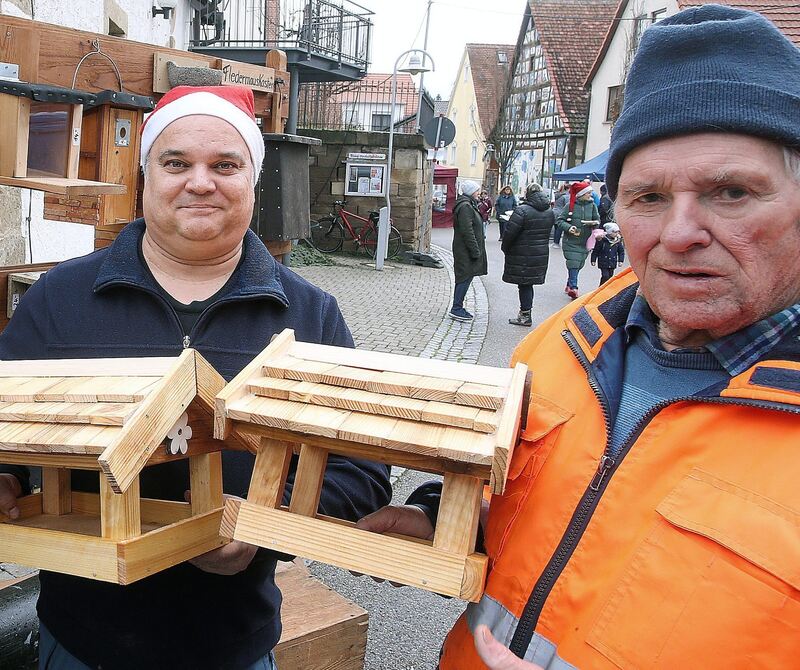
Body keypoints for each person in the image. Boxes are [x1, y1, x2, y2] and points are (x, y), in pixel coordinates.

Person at [357, 5, 800, 668]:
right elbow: (516, 498)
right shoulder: (561, 342)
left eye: (730, 191)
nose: (679, 233)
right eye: (648, 197)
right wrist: (439, 520)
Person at [0, 85, 392, 670]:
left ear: (253, 182)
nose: (200, 182)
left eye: (225, 165)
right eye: (176, 163)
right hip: (83, 641)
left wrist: (265, 521)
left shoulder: (309, 316)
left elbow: (362, 468)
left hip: (231, 644)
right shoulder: (60, 300)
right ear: (146, 177)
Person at [501, 183, 553, 326]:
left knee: (524, 285)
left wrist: (505, 248)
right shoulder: (549, 211)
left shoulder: (522, 210)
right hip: (540, 252)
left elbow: (510, 233)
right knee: (528, 284)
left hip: (523, 252)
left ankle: (525, 315)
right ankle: (526, 313)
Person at [449, 180, 488, 322]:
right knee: (464, 277)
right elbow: (467, 230)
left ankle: (458, 306)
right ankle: (456, 308)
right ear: (471, 192)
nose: (479, 193)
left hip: (466, 249)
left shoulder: (468, 204)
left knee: (466, 276)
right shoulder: (465, 206)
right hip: (464, 249)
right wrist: (475, 251)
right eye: (477, 191)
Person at [557, 182, 599, 299]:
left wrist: (594, 224)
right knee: (574, 262)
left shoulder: (593, 206)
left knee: (579, 264)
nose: (591, 195)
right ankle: (574, 288)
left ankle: (569, 283)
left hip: (585, 241)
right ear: (582, 194)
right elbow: (560, 221)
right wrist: (569, 227)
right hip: (571, 241)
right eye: (588, 193)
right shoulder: (569, 206)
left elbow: (597, 219)